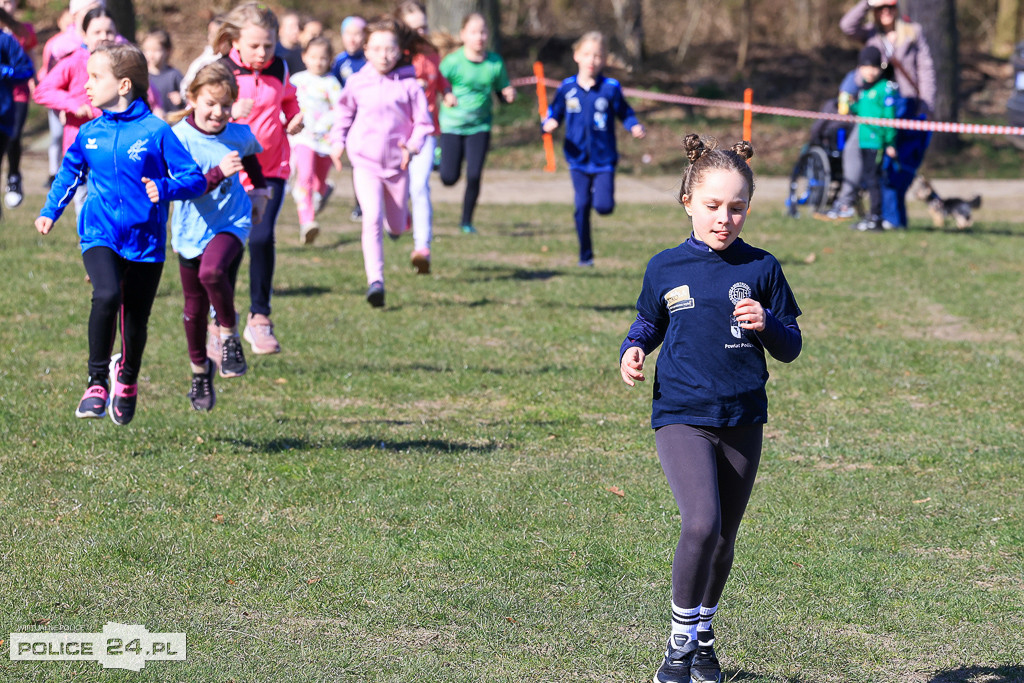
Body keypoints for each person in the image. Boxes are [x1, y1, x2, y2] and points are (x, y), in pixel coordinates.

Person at [618, 134, 802, 683]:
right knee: (701, 523)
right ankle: (678, 645)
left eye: (737, 207)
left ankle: (703, 639)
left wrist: (767, 324)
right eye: (713, 205)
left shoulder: (763, 267)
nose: (725, 218)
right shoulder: (665, 266)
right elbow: (648, 322)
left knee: (724, 537)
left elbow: (791, 345)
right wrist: (632, 349)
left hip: (743, 415)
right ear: (688, 203)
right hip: (680, 412)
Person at [35, 43, 205, 426]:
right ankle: (96, 382)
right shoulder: (89, 132)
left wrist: (165, 187)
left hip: (146, 243)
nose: (87, 85)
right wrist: (50, 211)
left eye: (95, 77)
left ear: (124, 85)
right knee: (107, 295)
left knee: (135, 320)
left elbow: (194, 178)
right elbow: (70, 173)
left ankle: (126, 378)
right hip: (99, 233)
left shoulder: (156, 131)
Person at [168, 62, 268, 411]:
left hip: (231, 221)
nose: (219, 112)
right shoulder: (177, 138)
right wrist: (216, 174)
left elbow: (251, 160)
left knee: (212, 272)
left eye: (226, 105)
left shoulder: (238, 134)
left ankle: (229, 334)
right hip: (190, 229)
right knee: (193, 308)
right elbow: (181, 188)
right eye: (211, 103)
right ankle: (199, 371)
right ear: (193, 99)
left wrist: (260, 193)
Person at [216, 2, 303, 355]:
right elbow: (201, 113)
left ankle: (260, 317)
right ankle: (222, 318)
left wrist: (294, 118)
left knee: (263, 237)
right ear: (235, 40)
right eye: (254, 46)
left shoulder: (280, 67)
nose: (262, 53)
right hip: (233, 169)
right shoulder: (222, 71)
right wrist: (229, 111)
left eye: (268, 45)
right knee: (231, 243)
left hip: (272, 168)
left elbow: (289, 100)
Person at [333, 17, 433, 308]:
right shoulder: (356, 83)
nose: (384, 55)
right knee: (371, 218)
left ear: (399, 51)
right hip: (365, 163)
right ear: (366, 50)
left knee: (397, 227)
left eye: (390, 49)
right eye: (376, 49)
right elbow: (343, 114)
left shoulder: (410, 86)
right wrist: (338, 142)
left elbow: (423, 124)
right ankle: (375, 281)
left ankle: (399, 224)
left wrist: (412, 146)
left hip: (398, 167)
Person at [542, 31, 645, 266]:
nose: (592, 60)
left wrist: (634, 126)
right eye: (587, 54)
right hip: (577, 159)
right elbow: (554, 112)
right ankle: (585, 256)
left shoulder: (610, 88)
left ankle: (602, 202)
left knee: (603, 206)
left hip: (604, 159)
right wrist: (549, 123)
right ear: (577, 55)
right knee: (581, 206)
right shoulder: (567, 87)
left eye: (598, 55)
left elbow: (625, 112)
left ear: (604, 59)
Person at [841, 0, 935, 228]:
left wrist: (927, 105)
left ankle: (891, 218)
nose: (886, 11)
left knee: (895, 163)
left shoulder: (913, 32)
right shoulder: (871, 34)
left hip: (905, 104)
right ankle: (873, 212)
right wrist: (867, 3)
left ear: (897, 9)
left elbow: (926, 69)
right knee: (873, 161)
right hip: (876, 106)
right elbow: (846, 26)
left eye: (890, 7)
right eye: (881, 7)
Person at [33, 7, 117, 213]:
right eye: (97, 32)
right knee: (85, 204)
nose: (104, 37)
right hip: (81, 144)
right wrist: (72, 105)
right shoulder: (74, 61)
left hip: (115, 145)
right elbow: (42, 91)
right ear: (84, 35)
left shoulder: (123, 63)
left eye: (109, 32)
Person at [438, 12, 514, 234]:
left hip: (480, 126)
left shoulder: (495, 62)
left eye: (483, 32)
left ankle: (466, 222)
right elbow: (439, 85)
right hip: (452, 125)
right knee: (449, 178)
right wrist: (446, 94)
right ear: (463, 35)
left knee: (474, 175)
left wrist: (508, 95)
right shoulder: (452, 62)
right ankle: (437, 157)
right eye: (473, 32)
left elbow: (501, 90)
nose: (479, 37)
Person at [394, 0, 453, 274]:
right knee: (396, 187)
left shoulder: (431, 53)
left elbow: (439, 78)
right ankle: (398, 218)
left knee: (419, 186)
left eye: (424, 26)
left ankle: (422, 248)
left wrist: (446, 92)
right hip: (395, 132)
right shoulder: (393, 55)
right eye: (415, 28)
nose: (421, 33)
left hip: (426, 129)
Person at [289, 35, 341, 244]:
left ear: (330, 59)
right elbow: (286, 104)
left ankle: (323, 191)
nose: (318, 62)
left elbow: (341, 110)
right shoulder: (296, 80)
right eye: (313, 57)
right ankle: (307, 222)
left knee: (318, 183)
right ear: (304, 57)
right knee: (305, 177)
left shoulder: (332, 84)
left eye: (323, 58)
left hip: (325, 141)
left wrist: (327, 128)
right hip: (303, 138)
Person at [847, 46, 898, 232]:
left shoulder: (885, 89)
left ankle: (876, 218)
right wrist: (851, 105)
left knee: (873, 180)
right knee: (867, 179)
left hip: (877, 142)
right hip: (864, 141)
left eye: (874, 67)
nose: (870, 71)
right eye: (865, 67)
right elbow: (862, 111)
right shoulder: (864, 89)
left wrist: (890, 143)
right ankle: (870, 216)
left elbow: (889, 118)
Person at [0, 0, 36, 209]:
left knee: (13, 137)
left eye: (10, 1)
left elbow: (27, 64)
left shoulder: (15, 34)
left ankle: (13, 177)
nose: (7, 5)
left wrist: (6, 72)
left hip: (13, 100)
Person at [331, 15, 367, 222]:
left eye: (358, 34)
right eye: (348, 34)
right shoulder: (339, 61)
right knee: (357, 163)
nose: (353, 39)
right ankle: (360, 204)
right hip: (351, 122)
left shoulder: (371, 60)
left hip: (370, 119)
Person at [180, 14, 226, 98]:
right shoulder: (203, 60)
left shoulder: (230, 59)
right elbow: (185, 87)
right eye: (210, 33)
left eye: (214, 34)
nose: (210, 37)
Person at [141, 29, 183, 118]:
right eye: (147, 50)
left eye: (156, 50)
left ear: (167, 51)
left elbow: (189, 98)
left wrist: (181, 99)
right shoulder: (142, 76)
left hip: (173, 122)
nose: (151, 55)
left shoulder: (174, 75)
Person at [275, 10, 303, 75]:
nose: (296, 30)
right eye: (292, 26)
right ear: (280, 29)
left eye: (298, 26)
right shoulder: (273, 52)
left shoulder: (304, 53)